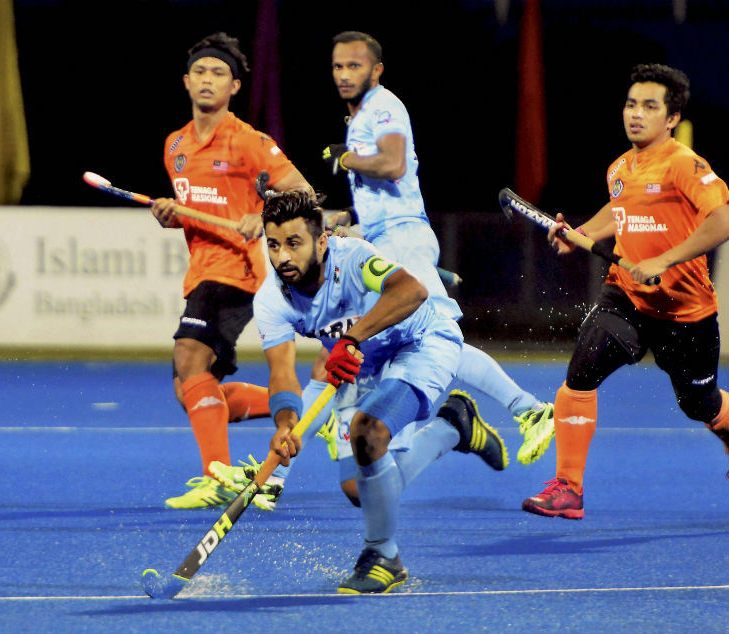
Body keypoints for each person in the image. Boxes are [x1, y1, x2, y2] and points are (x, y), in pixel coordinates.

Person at [211, 30, 553, 509]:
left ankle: (529, 409)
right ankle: (285, 467)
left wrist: (346, 158)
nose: (344, 75)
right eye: (337, 66)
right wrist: (349, 222)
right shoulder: (360, 118)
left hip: (402, 237)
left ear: (377, 70)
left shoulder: (383, 106)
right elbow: (381, 190)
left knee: (437, 337)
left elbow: (392, 165)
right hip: (383, 235)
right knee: (333, 360)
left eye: (354, 66)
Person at [254, 191, 508, 593]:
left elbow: (411, 291)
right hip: (368, 360)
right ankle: (453, 427)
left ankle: (383, 556)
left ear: (321, 242)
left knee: (368, 431)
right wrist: (286, 424)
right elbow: (281, 373)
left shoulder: (353, 257)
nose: (282, 256)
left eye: (293, 243)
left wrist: (350, 339)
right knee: (361, 489)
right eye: (273, 245)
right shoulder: (271, 300)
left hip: (423, 342)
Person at [522, 63, 729, 519]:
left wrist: (664, 259)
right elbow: (620, 211)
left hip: (687, 313)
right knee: (582, 371)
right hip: (628, 298)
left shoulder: (684, 164)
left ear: (672, 118)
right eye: (631, 104)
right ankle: (568, 489)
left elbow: (722, 221)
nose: (636, 114)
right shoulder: (620, 167)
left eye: (649, 107)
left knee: (701, 404)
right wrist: (579, 234)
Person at [150, 32, 314, 510]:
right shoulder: (175, 145)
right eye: (200, 71)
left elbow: (303, 194)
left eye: (218, 73)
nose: (208, 79)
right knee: (190, 389)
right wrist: (171, 214)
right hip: (202, 271)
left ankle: (216, 475)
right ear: (186, 81)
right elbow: (196, 211)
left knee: (189, 358)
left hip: (238, 272)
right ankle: (302, 413)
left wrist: (263, 215)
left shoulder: (249, 142)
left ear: (234, 86)